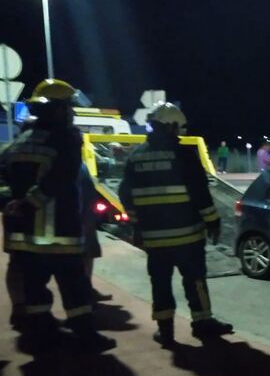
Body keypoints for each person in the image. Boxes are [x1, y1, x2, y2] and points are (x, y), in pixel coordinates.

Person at [1, 79, 115, 351]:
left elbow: (4, 182)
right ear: (57, 110)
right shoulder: (66, 140)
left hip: (24, 236)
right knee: (75, 286)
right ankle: (85, 335)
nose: (72, 113)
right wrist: (30, 202)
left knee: (34, 286)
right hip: (60, 232)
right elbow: (61, 179)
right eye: (68, 108)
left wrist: (11, 203)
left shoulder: (19, 142)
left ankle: (41, 334)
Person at [118, 102, 233, 347]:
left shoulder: (135, 157)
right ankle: (202, 323)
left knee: (160, 283)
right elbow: (200, 193)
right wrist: (213, 221)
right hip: (187, 236)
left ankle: (166, 331)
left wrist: (137, 226)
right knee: (195, 280)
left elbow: (126, 195)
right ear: (170, 126)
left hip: (154, 239)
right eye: (178, 128)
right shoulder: (184, 155)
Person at [78, 162, 111, 303]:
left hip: (85, 217)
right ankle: (82, 294)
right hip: (77, 218)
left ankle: (86, 289)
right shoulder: (68, 160)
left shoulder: (80, 164)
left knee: (88, 254)